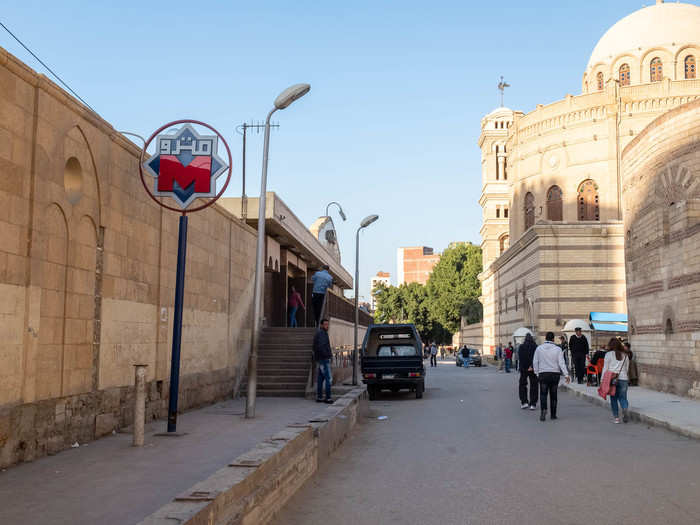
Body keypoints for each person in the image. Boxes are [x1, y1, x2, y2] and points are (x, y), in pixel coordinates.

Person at [533, 331, 571, 421]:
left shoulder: (539, 348)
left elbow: (535, 361)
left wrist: (536, 373)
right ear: (553, 339)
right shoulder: (558, 349)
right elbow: (561, 363)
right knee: (553, 395)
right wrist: (566, 375)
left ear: (545, 338)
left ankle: (543, 410)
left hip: (543, 374)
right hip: (554, 374)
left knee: (543, 394)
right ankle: (553, 414)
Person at [601, 338, 631, 424]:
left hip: (612, 379)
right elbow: (627, 368)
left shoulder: (608, 355)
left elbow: (605, 368)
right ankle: (624, 408)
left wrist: (602, 380)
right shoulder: (625, 355)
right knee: (623, 397)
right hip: (624, 378)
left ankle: (616, 418)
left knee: (613, 398)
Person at [313, 318, 334, 403]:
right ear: (321, 325)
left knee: (321, 379)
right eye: (325, 324)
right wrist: (327, 356)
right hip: (324, 359)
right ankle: (328, 398)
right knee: (328, 379)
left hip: (320, 359)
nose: (327, 326)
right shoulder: (322, 333)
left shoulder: (321, 333)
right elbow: (321, 346)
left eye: (327, 324)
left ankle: (319, 397)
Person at [518, 333, 538, 410]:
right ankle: (533, 404)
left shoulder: (521, 347)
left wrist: (524, 367)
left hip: (523, 369)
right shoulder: (535, 347)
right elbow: (537, 358)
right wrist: (532, 366)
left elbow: (520, 358)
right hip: (533, 369)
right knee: (534, 385)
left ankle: (524, 402)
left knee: (522, 385)